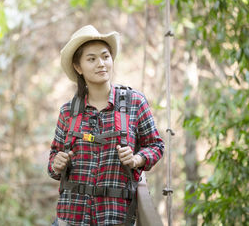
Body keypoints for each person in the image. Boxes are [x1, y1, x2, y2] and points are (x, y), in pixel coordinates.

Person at [48, 25, 164, 226]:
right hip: (71, 218)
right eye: (91, 59)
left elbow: (156, 145)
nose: (101, 64)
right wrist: (57, 163)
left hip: (115, 217)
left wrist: (137, 159)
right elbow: (52, 163)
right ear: (78, 67)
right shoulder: (68, 111)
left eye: (105, 56)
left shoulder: (134, 102)